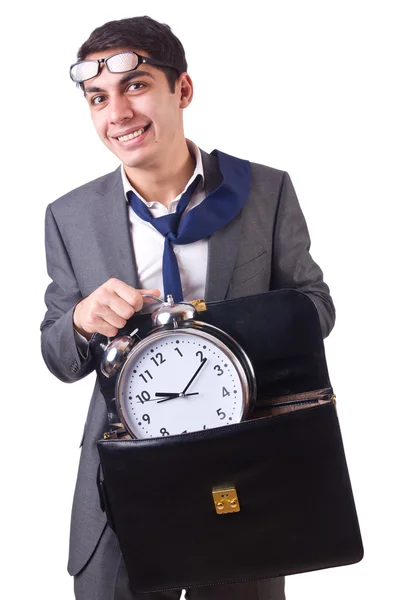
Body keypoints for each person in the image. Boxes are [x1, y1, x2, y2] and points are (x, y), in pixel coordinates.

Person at [40, 15, 335, 600]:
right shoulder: (68, 216)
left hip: (243, 465)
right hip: (122, 478)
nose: (117, 112)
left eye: (137, 85)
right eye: (98, 98)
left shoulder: (265, 192)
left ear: (183, 90)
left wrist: (217, 328)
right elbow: (57, 353)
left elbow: (316, 308)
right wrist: (79, 321)